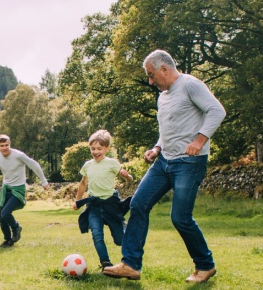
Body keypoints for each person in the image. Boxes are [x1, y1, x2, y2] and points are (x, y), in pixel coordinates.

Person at [103, 49, 226, 283]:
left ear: (164, 69)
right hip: (164, 162)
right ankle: (130, 264)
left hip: (189, 163)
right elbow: (167, 128)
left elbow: (217, 111)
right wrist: (157, 148)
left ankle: (205, 265)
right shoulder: (163, 96)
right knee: (138, 204)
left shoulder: (190, 85)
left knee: (180, 217)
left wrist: (200, 140)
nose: (150, 81)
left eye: (151, 75)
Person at [0, 134, 49, 248]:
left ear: (10, 144)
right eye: (2, 146)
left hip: (18, 189)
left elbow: (34, 165)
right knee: (2, 219)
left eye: (6, 145)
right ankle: (7, 241)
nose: (4, 148)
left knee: (5, 213)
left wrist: (44, 181)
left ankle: (16, 227)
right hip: (6, 189)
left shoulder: (18, 155)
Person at [72, 129, 134, 271]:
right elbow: (83, 183)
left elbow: (129, 179)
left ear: (107, 148)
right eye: (92, 148)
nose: (95, 152)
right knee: (97, 235)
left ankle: (124, 227)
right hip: (93, 206)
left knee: (119, 241)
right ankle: (106, 263)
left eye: (99, 148)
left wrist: (126, 176)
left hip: (110, 205)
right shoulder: (88, 165)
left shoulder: (112, 163)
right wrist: (77, 200)